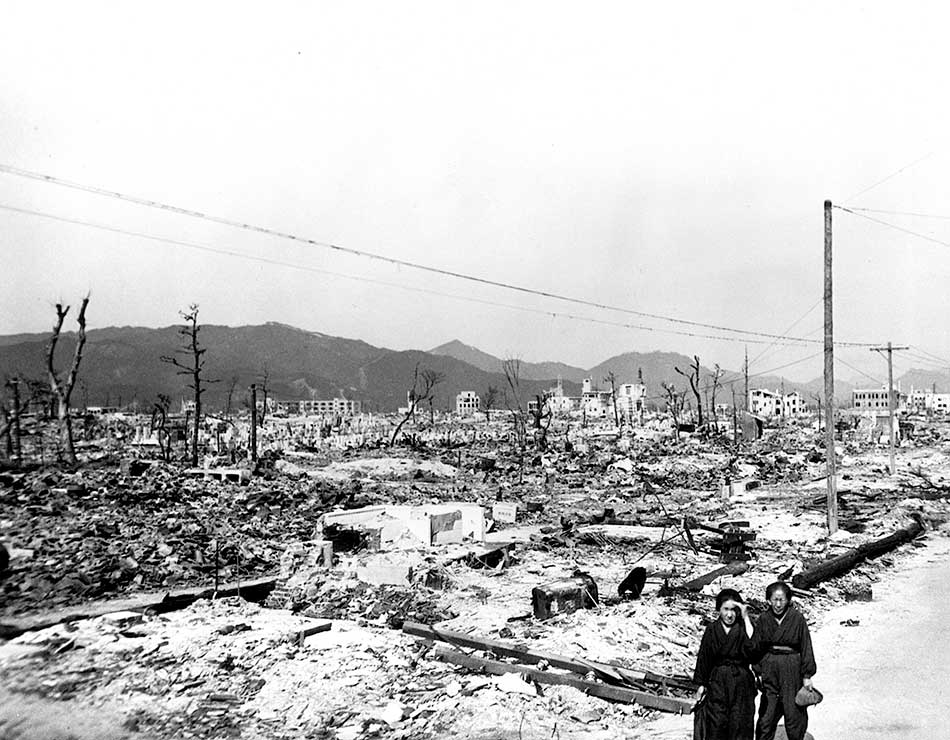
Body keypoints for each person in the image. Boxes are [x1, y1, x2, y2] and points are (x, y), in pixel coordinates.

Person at [753, 581, 816, 740]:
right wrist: (758, 670)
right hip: (770, 667)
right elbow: (756, 647)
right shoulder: (763, 619)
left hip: (791, 667)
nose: (778, 604)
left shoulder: (797, 618)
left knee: (794, 712)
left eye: (782, 600)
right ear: (768, 600)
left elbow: (806, 646)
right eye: (775, 599)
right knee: (767, 715)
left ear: (788, 600)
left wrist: (807, 676)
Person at [693, 588, 757, 740]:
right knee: (716, 723)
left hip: (741, 682)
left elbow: (754, 647)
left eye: (734, 610)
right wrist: (701, 685)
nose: (730, 614)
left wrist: (746, 616)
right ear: (718, 610)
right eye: (725, 609)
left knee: (740, 723)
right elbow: (704, 657)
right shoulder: (712, 630)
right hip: (718, 682)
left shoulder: (744, 628)